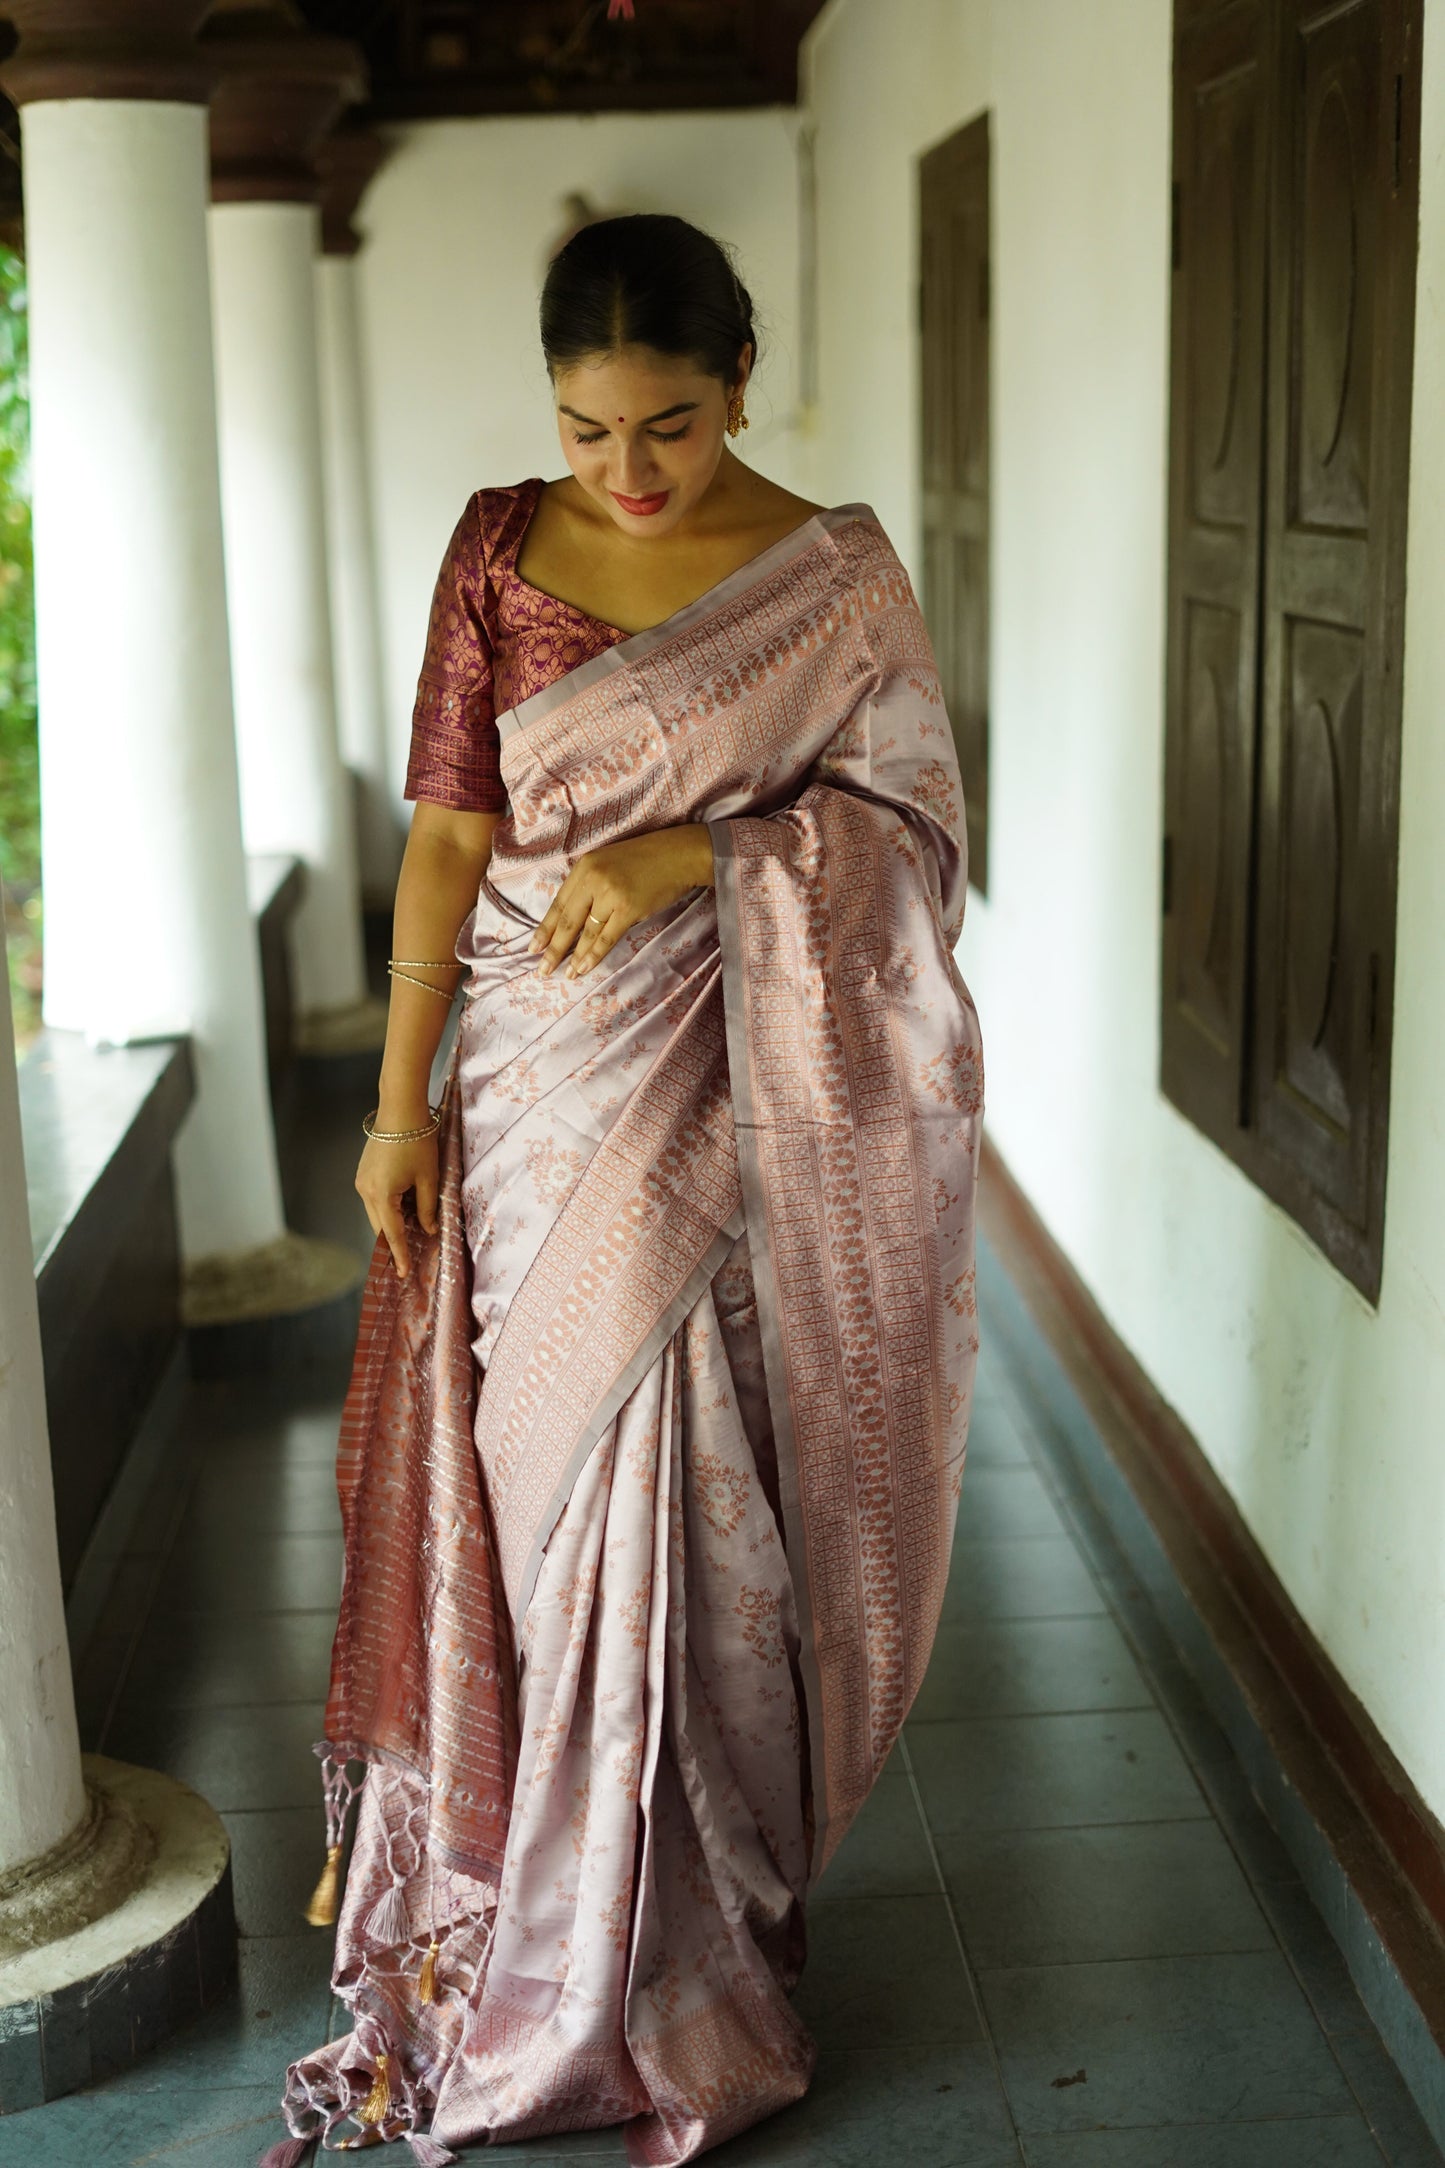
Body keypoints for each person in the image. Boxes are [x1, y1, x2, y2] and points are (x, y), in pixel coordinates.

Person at [265, 213, 984, 2167]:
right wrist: (398, 1104)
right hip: (519, 1085)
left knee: (695, 1504)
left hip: (712, 1092)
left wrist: (706, 864)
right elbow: (441, 839)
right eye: (588, 430)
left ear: (742, 379)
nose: (628, 474)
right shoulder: (499, 546)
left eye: (667, 423)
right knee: (545, 1506)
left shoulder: (826, 577)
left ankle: (693, 1966)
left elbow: (912, 838)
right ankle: (531, 1941)